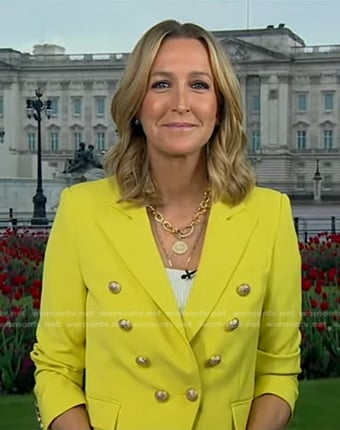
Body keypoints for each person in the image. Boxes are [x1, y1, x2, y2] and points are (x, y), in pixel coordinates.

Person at [31, 19, 301, 430]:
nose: (180, 103)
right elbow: (55, 367)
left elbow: (278, 369)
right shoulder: (81, 209)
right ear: (136, 105)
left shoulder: (270, 214)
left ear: (221, 105)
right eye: (160, 85)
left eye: (199, 85)